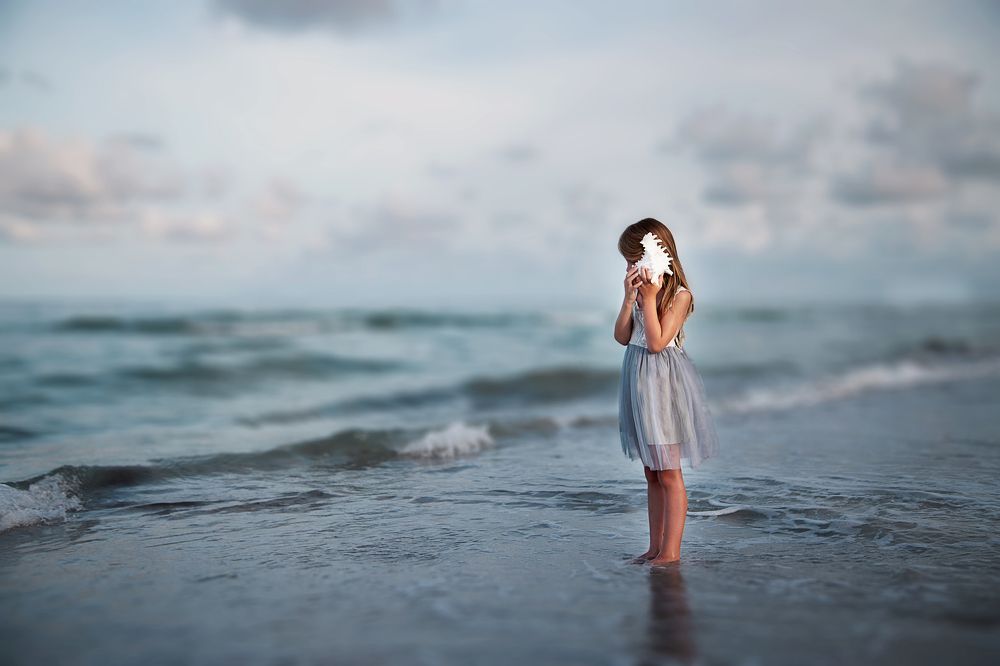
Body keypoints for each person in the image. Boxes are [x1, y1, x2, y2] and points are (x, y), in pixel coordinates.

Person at [614, 217, 720, 565]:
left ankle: (671, 552)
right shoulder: (642, 292)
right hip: (638, 379)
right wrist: (630, 297)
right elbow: (622, 335)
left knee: (669, 471)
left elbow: (658, 342)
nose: (631, 266)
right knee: (651, 471)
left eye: (634, 259)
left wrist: (649, 297)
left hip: (663, 382)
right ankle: (654, 546)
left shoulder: (680, 296)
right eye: (627, 261)